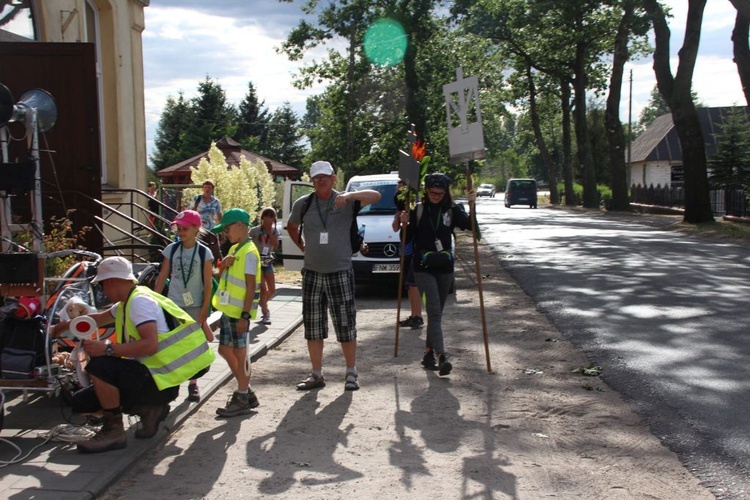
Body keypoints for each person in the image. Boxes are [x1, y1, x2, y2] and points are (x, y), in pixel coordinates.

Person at [50, 256, 215, 454]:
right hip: (159, 379)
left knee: (100, 365)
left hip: (160, 380)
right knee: (81, 401)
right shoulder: (129, 301)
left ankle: (115, 432)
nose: (103, 290)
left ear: (110, 281)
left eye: (102, 285)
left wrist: (107, 349)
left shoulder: (139, 303)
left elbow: (150, 344)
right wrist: (62, 327)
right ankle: (149, 410)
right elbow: (98, 319)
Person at [286, 160, 381, 391]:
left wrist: (349, 196)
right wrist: (303, 247)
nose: (321, 181)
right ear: (312, 181)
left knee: (346, 325)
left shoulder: (347, 201)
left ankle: (351, 373)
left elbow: (376, 196)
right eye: (316, 178)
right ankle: (316, 374)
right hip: (312, 273)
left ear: (333, 178)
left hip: (340, 271)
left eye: (325, 177)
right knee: (313, 326)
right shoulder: (304, 203)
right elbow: (291, 225)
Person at [402, 173, 476, 376]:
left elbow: (471, 227)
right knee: (434, 312)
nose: (436, 196)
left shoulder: (452, 210)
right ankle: (442, 355)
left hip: (445, 268)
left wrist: (472, 206)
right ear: (426, 190)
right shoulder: (418, 209)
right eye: (432, 192)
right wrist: (404, 223)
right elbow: (405, 238)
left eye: (440, 193)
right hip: (422, 267)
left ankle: (428, 354)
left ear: (446, 193)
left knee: (437, 314)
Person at [154, 209, 215, 403]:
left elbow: (207, 282)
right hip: (173, 304)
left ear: (196, 229)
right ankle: (176, 380)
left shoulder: (204, 252)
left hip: (194, 305)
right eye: (178, 228)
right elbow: (163, 275)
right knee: (175, 343)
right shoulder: (171, 249)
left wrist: (205, 308)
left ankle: (193, 383)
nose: (180, 232)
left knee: (192, 346)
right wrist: (155, 300)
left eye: (185, 228)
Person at [210, 208, 262, 417]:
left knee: (240, 354)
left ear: (240, 225)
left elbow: (251, 287)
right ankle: (245, 390)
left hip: (239, 313)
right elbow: (222, 275)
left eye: (228, 228)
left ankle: (242, 394)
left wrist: (245, 316)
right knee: (224, 349)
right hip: (228, 310)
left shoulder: (249, 252)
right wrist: (224, 265)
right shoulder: (234, 250)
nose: (225, 233)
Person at [392, 179, 423, 329]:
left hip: (414, 249)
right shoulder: (400, 206)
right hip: (404, 249)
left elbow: (413, 227)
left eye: (401, 185)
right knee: (408, 285)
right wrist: (399, 217)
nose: (399, 188)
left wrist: (407, 220)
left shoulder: (415, 206)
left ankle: (418, 316)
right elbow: (395, 228)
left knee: (413, 284)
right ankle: (414, 314)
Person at [249, 207, 279, 325]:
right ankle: (266, 313)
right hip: (257, 261)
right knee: (262, 287)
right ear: (262, 218)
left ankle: (262, 302)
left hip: (267, 261)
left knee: (272, 289)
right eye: (266, 216)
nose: (268, 219)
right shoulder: (255, 230)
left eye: (271, 217)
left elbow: (275, 245)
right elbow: (247, 240)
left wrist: (269, 232)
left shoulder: (274, 231)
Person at [193, 179, 223, 261]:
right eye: (205, 187)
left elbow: (219, 215)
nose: (207, 189)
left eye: (209, 187)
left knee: (215, 251)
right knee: (199, 249)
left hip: (212, 229)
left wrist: (221, 230)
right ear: (203, 188)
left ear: (212, 189)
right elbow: (190, 211)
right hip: (199, 229)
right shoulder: (197, 199)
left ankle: (218, 268)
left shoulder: (216, 202)